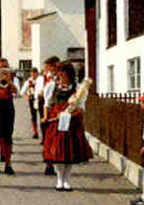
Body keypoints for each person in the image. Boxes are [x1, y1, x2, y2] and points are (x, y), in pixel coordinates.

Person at [42, 62, 94, 191]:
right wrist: (45, 117)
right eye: (58, 72)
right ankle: (59, 179)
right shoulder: (52, 86)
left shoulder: (78, 88)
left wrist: (69, 114)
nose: (59, 74)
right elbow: (47, 104)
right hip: (56, 120)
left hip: (72, 121)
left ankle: (66, 180)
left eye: (62, 71)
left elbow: (81, 108)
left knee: (69, 151)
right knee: (58, 150)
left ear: (68, 73)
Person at [22, 67, 40, 138]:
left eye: (35, 73)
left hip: (39, 99)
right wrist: (26, 97)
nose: (33, 74)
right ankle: (35, 132)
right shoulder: (28, 82)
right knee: (33, 116)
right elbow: (22, 92)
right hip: (32, 99)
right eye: (32, 73)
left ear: (37, 73)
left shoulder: (40, 80)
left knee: (42, 115)